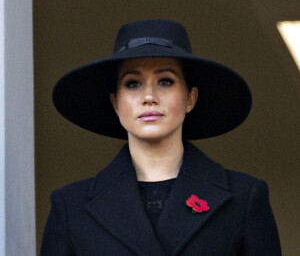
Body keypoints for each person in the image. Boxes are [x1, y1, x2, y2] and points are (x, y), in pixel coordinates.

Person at [41, 20, 281, 255]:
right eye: (133, 83)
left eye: (165, 81)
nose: (149, 96)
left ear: (190, 98)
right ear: (115, 102)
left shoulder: (244, 199)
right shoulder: (70, 208)